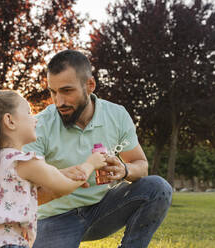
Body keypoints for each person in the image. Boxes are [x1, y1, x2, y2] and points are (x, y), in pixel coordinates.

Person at [22, 50, 173, 248]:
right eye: (53, 92)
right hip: (54, 217)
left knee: (158, 187)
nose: (59, 102)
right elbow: (28, 194)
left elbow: (141, 165)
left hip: (101, 210)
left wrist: (124, 170)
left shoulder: (117, 115)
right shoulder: (38, 125)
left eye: (67, 91)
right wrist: (65, 179)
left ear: (90, 85)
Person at [0, 90, 107, 248]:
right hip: (7, 243)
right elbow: (63, 186)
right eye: (29, 112)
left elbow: (23, 185)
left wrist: (62, 173)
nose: (35, 120)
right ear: (10, 121)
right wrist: (90, 164)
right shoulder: (24, 161)